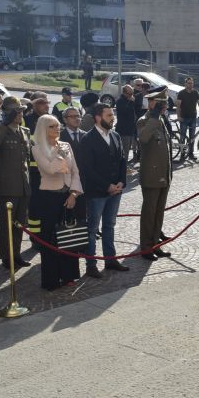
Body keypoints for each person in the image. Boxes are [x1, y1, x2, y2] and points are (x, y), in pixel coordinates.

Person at [31, 114, 86, 289]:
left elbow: (75, 171)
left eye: (57, 126)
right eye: (52, 126)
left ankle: (69, 275)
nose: (57, 129)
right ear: (43, 129)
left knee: (68, 237)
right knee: (50, 239)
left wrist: (74, 194)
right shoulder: (37, 148)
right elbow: (50, 170)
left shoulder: (67, 145)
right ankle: (52, 279)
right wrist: (59, 154)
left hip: (68, 195)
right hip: (49, 198)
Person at [77, 104, 129, 274]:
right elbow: (87, 169)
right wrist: (107, 186)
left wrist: (122, 181)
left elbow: (122, 160)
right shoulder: (88, 139)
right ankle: (91, 265)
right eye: (109, 115)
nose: (112, 118)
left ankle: (110, 260)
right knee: (92, 229)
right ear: (98, 118)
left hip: (116, 191)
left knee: (110, 225)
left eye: (112, 115)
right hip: (96, 193)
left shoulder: (115, 135)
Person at [0, 96, 33, 270]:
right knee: (7, 225)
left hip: (23, 185)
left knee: (20, 223)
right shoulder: (0, 131)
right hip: (8, 186)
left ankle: (16, 254)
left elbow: (27, 161)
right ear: (8, 113)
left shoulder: (25, 131)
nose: (20, 114)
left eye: (21, 111)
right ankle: (6, 256)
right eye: (17, 111)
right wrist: (4, 125)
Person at [137, 87, 173, 261]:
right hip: (151, 176)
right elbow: (143, 138)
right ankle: (145, 247)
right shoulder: (144, 121)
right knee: (149, 214)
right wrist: (154, 117)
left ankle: (156, 244)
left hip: (163, 175)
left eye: (165, 103)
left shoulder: (161, 120)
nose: (164, 106)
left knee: (159, 214)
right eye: (161, 103)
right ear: (151, 103)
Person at [176, 77, 199, 161]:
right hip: (184, 118)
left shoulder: (195, 92)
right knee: (182, 137)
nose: (190, 84)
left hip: (193, 118)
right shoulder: (181, 93)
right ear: (185, 84)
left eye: (191, 83)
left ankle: (191, 154)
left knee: (192, 137)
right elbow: (178, 106)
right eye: (189, 83)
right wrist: (178, 116)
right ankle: (182, 154)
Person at [114, 85, 138, 162]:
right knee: (124, 151)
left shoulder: (130, 100)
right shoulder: (120, 101)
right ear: (125, 93)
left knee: (128, 149)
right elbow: (125, 112)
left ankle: (124, 167)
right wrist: (131, 102)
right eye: (130, 93)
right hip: (124, 130)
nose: (132, 95)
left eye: (132, 93)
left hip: (131, 129)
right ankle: (123, 168)